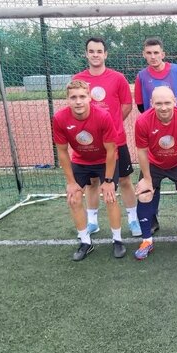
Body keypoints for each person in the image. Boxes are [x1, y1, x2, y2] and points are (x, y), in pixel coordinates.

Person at [72, 37, 142, 238]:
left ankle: (133, 220)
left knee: (124, 180)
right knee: (92, 182)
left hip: (116, 140)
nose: (95, 55)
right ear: (86, 54)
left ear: (105, 54)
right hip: (90, 144)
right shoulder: (78, 79)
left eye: (99, 51)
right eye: (91, 51)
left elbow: (126, 105)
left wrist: (111, 127)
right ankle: (92, 222)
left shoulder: (117, 78)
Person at [53, 80, 125, 261]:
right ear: (67, 99)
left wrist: (108, 181)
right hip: (81, 161)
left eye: (82, 96)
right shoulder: (60, 118)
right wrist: (71, 183)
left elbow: (111, 150)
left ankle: (117, 240)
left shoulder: (103, 116)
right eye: (73, 97)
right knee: (74, 198)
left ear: (89, 98)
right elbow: (62, 152)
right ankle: (85, 242)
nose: (78, 101)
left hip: (104, 160)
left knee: (110, 197)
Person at [133, 86, 177, 260]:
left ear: (175, 102)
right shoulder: (142, 121)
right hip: (154, 163)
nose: (163, 107)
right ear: (151, 103)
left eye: (167, 103)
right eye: (158, 103)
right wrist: (146, 179)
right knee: (144, 195)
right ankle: (146, 241)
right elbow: (142, 151)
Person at [134, 37, 177, 235]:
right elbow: (141, 105)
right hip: (155, 131)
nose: (153, 56)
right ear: (144, 54)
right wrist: (155, 121)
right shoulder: (141, 76)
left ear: (163, 54)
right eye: (149, 53)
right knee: (150, 183)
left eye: (156, 52)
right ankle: (152, 220)